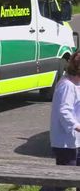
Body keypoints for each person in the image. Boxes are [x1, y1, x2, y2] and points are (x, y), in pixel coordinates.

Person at [41, 51, 80, 191]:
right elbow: (64, 111)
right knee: (64, 180)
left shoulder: (77, 84)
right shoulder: (67, 86)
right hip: (65, 142)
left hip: (75, 141)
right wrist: (77, 126)